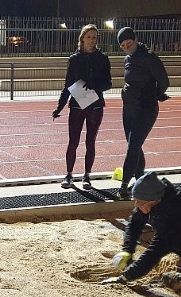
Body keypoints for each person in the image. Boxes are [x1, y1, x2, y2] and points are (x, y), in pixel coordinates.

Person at [52, 24, 112, 190]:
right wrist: (59, 107)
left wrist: (95, 86)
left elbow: (109, 83)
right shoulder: (74, 59)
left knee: (90, 141)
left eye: (94, 37)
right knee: (73, 142)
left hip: (95, 105)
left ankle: (87, 176)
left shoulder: (103, 59)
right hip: (77, 105)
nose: (91, 40)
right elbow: (67, 86)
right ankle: (69, 174)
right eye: (88, 37)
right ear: (82, 39)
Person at [116, 27, 170, 200]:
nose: (126, 47)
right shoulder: (127, 59)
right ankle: (140, 182)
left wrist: (154, 95)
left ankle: (124, 185)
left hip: (145, 109)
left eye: (129, 43)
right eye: (123, 46)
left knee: (133, 146)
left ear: (136, 39)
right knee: (135, 147)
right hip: (129, 108)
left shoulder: (149, 57)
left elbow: (164, 81)